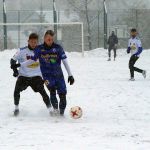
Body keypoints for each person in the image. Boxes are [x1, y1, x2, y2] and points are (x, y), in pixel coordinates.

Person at [27, 30, 75, 116]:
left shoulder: (58, 48)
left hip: (58, 75)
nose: (50, 41)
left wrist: (70, 75)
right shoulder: (39, 49)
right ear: (44, 38)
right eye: (48, 39)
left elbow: (65, 61)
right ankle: (56, 110)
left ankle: (61, 113)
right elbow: (32, 61)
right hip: (47, 76)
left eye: (52, 39)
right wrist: (20, 65)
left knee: (63, 94)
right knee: (52, 91)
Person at [10, 33, 52, 116]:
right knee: (16, 91)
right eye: (31, 42)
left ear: (37, 42)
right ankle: (16, 109)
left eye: (35, 42)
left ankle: (50, 110)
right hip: (23, 76)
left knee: (43, 92)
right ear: (28, 41)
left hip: (36, 76)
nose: (33, 44)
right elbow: (13, 60)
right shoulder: (21, 51)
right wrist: (15, 70)